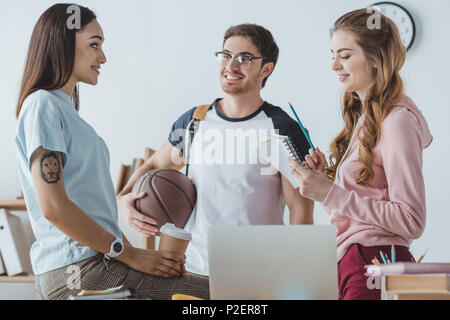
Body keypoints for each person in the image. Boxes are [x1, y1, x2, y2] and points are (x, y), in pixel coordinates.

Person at [15, 3, 209, 300]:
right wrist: (127, 253)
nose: (102, 57)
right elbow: (53, 208)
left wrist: (133, 254)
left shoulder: (67, 115)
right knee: (223, 292)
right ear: (64, 45)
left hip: (89, 265)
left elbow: (90, 209)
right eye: (94, 45)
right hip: (76, 271)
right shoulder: (43, 105)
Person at [118, 24, 314, 276]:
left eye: (244, 59)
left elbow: (301, 213)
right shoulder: (195, 122)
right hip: (192, 273)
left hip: (257, 276)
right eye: (226, 55)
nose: (231, 66)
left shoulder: (282, 129)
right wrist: (123, 200)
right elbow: (155, 166)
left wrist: (300, 281)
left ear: (266, 68)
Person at [289, 9, 432, 300]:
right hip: (354, 261)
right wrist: (325, 183)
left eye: (344, 55)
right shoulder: (366, 120)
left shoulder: (397, 122)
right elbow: (360, 211)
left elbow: (411, 219)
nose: (334, 66)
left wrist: (331, 194)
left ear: (375, 59)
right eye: (333, 55)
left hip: (374, 262)